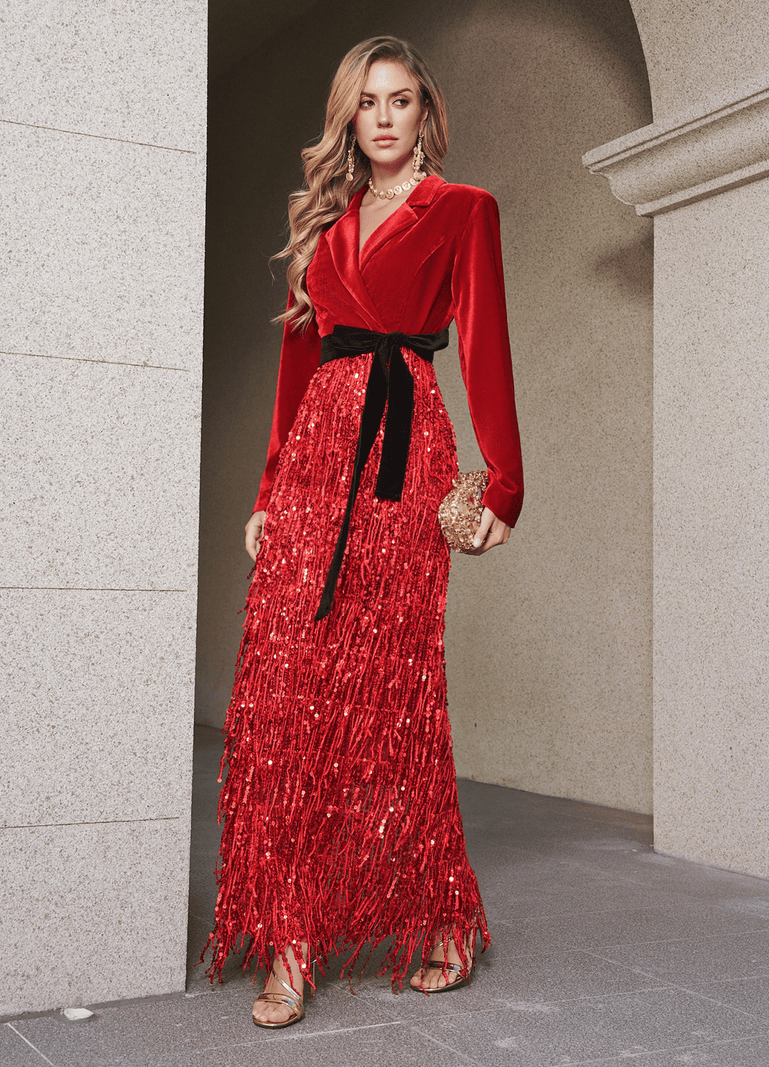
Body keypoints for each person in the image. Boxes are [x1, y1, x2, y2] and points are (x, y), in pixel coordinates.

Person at [204, 35, 524, 1029]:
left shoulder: (462, 212)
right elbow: (300, 360)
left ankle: (437, 920)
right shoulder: (323, 220)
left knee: (390, 699)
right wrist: (266, 489)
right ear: (349, 118)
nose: (382, 117)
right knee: (287, 694)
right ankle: (291, 940)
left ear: (423, 112)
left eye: (400, 100)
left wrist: (500, 491)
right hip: (312, 461)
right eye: (366, 103)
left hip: (401, 459)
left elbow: (483, 347)